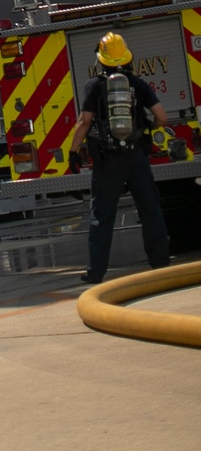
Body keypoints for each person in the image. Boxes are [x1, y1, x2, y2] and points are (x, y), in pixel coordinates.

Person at [70, 31, 170, 284]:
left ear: (100, 60)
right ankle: (160, 262)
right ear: (126, 58)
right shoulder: (137, 83)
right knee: (150, 209)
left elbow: (84, 122)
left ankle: (95, 272)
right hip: (136, 157)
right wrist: (151, 129)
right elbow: (162, 116)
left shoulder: (93, 86)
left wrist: (74, 151)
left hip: (107, 160)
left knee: (102, 215)